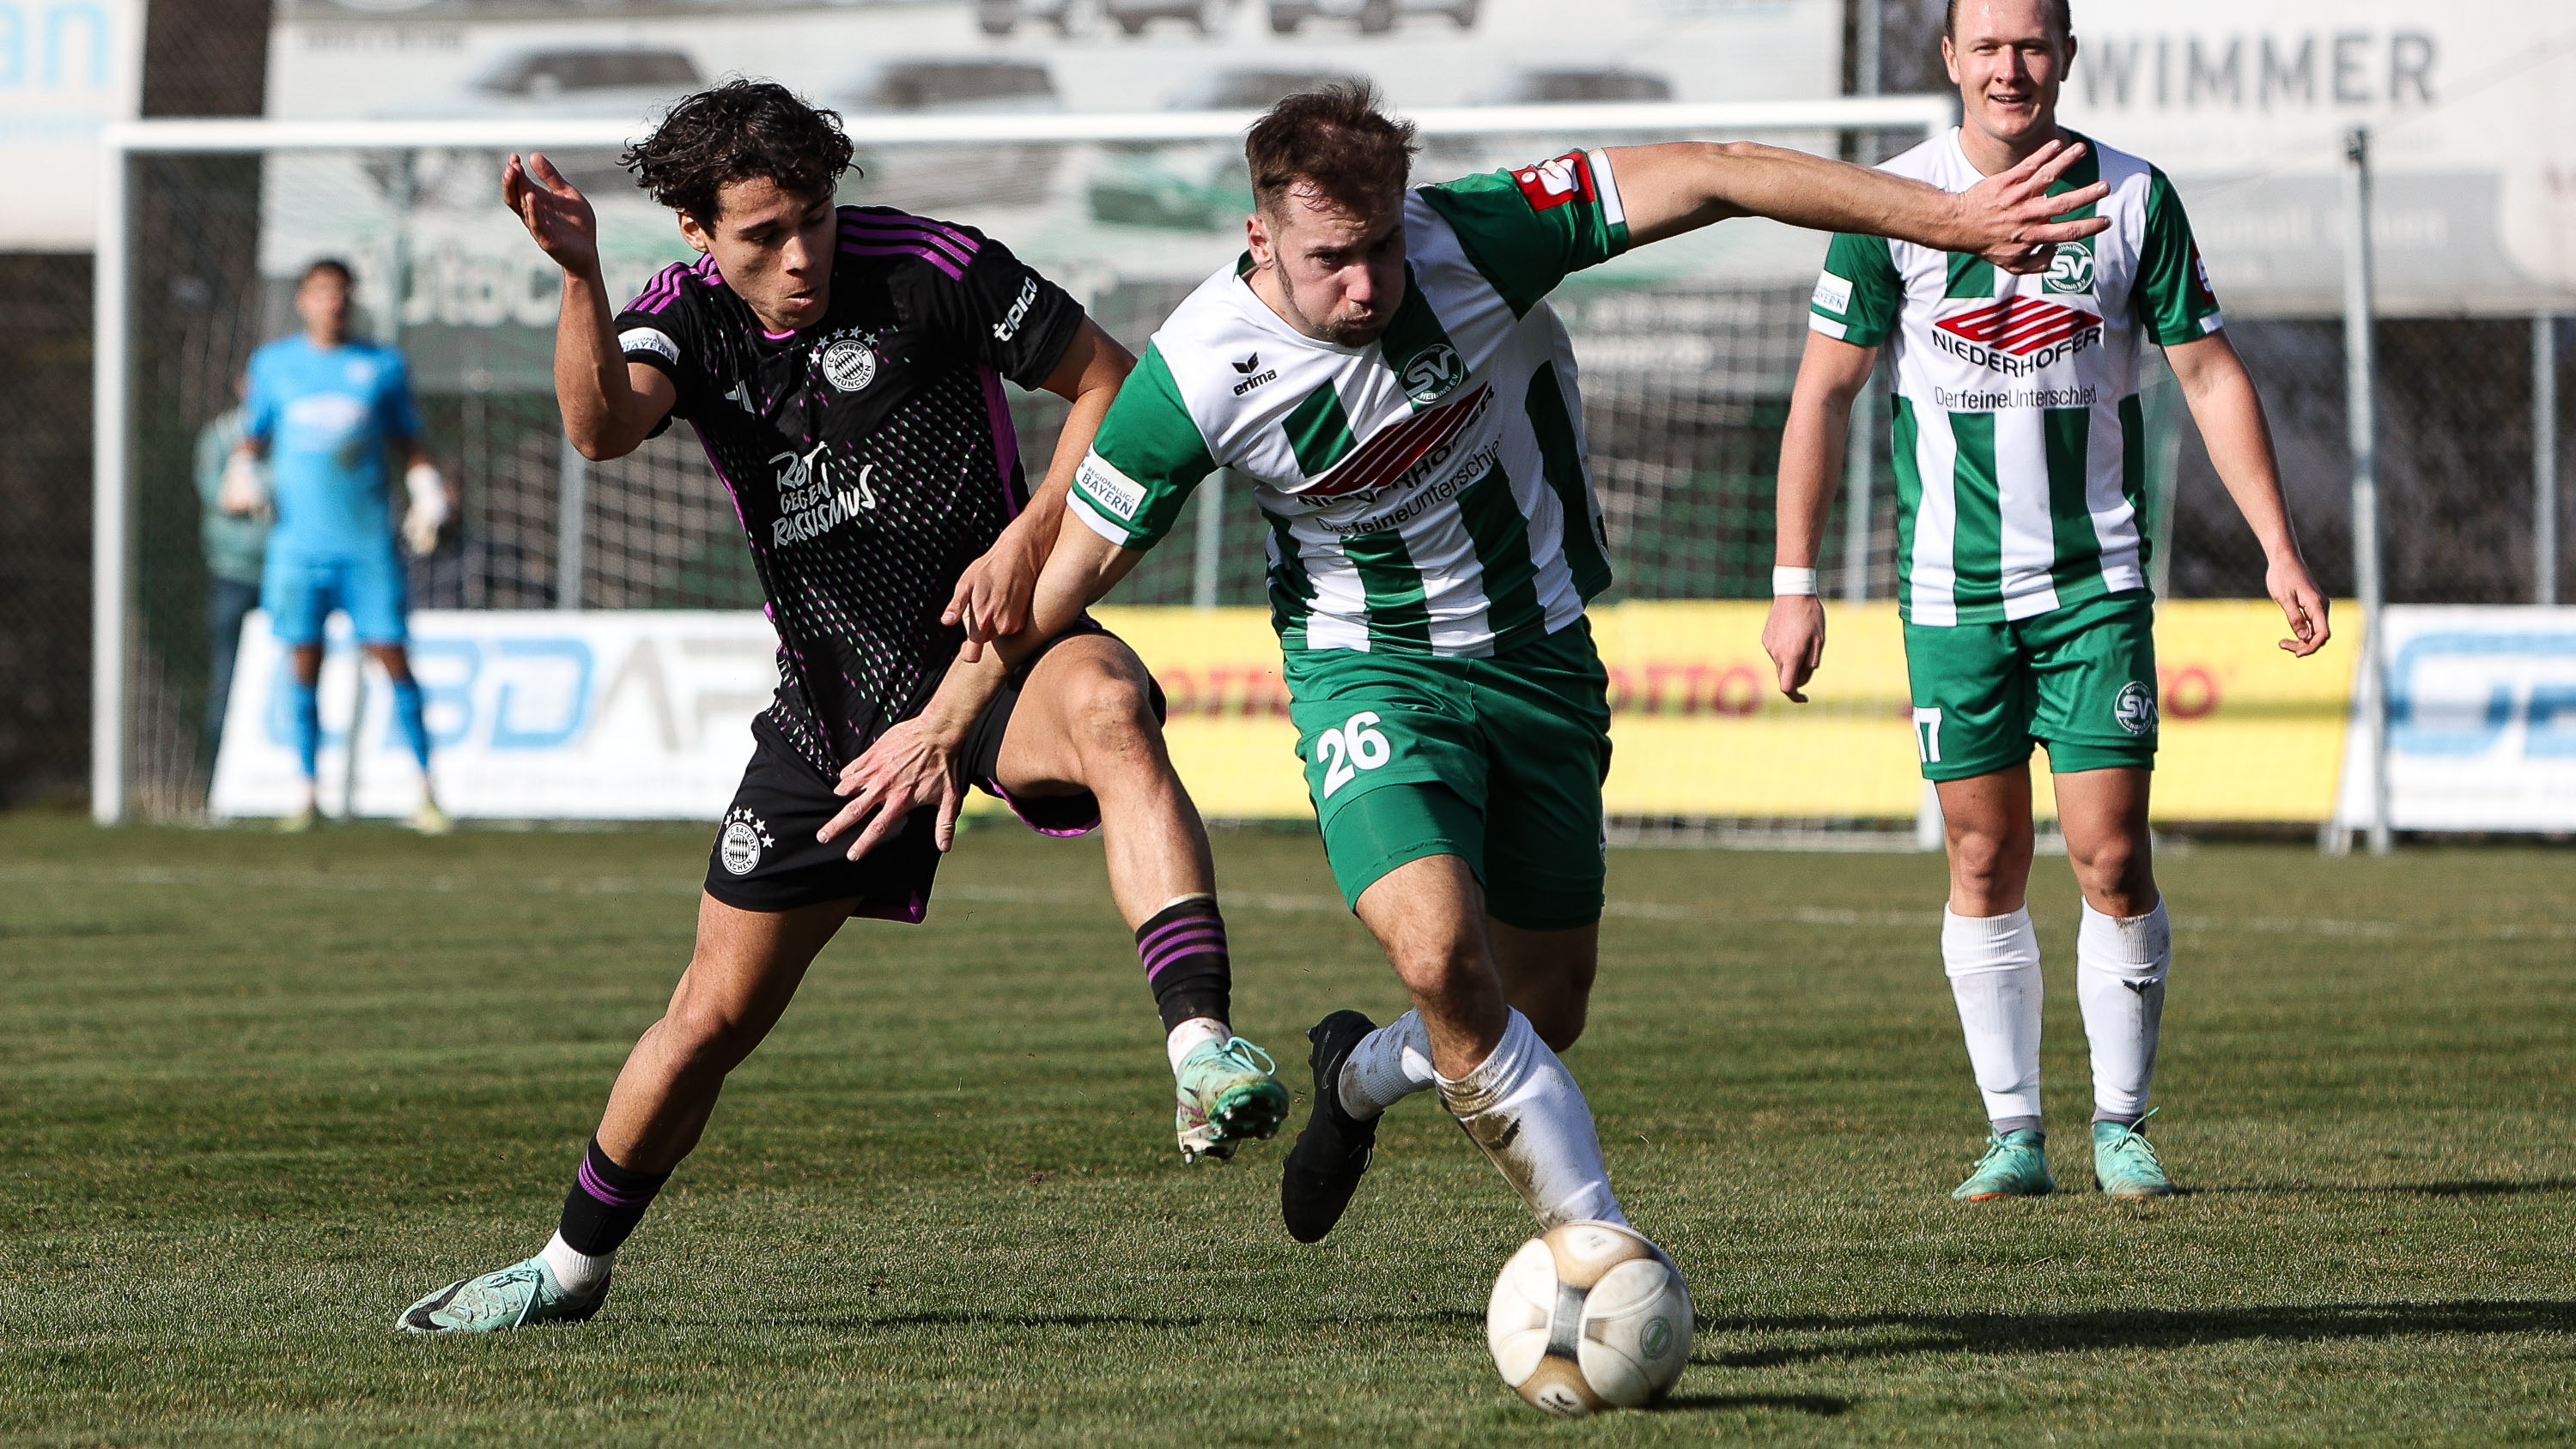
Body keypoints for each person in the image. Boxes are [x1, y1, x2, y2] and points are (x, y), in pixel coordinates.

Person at [976, 82, 2113, 1243]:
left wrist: (1949, 219)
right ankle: (1595, 1243)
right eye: (1332, 259)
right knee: (1436, 951)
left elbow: (1716, 168)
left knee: (1543, 1008)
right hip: (1368, 672)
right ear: (1259, 235)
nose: (1367, 283)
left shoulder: (1477, 236)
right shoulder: (1198, 375)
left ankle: (1360, 1075)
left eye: (1379, 247)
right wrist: (946, 717)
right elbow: (1061, 585)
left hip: (1541, 657)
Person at [398, 80, 1288, 1334]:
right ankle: (566, 1268)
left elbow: (1112, 384)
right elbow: (602, 432)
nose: (801, 254)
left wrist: (1031, 539)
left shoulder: (930, 265)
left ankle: (1198, 1050)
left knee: (1114, 711)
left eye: (813, 216)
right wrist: (583, 276)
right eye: (761, 234)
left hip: (999, 655)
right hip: (838, 713)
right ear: (701, 236)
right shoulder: (680, 319)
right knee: (708, 1018)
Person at [1765, 0, 2330, 1201]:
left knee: (2110, 855)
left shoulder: (2133, 198)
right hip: (1950, 596)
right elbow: (1821, 397)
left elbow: (2209, 372)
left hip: (2095, 586)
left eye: (2033, 45)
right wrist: (1795, 584)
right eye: (1989, 46)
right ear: (1951, 60)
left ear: (2065, 57)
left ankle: (2121, 1124)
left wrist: (2279, 544)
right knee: (1983, 853)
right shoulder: (1891, 206)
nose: (2010, 67)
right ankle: (2014, 1133)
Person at [231, 258, 453, 833]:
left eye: (341, 292)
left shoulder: (380, 366)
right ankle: (306, 791)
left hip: (366, 546)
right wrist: (242, 476)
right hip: (297, 549)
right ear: (303, 300)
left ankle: (426, 789)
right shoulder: (275, 366)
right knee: (303, 662)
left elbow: (412, 444)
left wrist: (427, 493)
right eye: (321, 292)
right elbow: (250, 441)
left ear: (352, 301)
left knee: (393, 658)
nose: (332, 302)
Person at [196, 376, 270, 764]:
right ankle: (219, 774)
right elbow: (219, 495)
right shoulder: (221, 435)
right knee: (228, 676)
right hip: (233, 574)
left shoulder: (291, 434)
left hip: (285, 573)